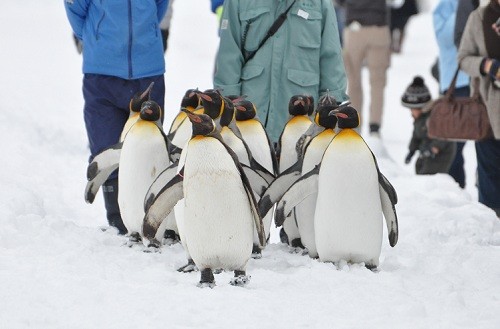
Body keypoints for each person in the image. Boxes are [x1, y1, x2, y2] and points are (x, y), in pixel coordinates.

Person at [64, 0, 169, 234]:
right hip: (102, 73)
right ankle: (117, 218)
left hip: (147, 69)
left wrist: (147, 31)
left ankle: (147, 215)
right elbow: (75, 11)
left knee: (148, 148)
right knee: (105, 144)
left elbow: (160, 6)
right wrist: (97, 38)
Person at [213, 0, 349, 142]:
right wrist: (228, 108)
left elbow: (331, 58)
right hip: (249, 122)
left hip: (303, 124)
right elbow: (228, 56)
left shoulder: (320, 3)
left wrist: (330, 107)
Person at [458, 0, 500, 218]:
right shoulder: (479, 18)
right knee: (490, 179)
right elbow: (463, 58)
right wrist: (486, 65)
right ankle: (492, 229)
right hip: (488, 111)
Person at [337, 0, 391, 137]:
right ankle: (375, 126)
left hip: (354, 28)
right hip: (378, 28)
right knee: (377, 82)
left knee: (354, 81)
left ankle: (354, 124)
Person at [433, 0, 470, 189]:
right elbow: (445, 37)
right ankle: (456, 191)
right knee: (454, 145)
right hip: (456, 84)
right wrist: (466, 10)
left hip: (484, 82)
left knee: (488, 144)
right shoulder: (448, 4)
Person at [402, 76, 456, 175]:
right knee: (419, 168)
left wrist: (434, 148)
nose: (411, 113)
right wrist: (411, 151)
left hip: (439, 155)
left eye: (412, 110)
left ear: (420, 108)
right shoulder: (419, 120)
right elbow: (416, 136)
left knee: (428, 174)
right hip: (425, 152)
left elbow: (443, 135)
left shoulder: (434, 117)